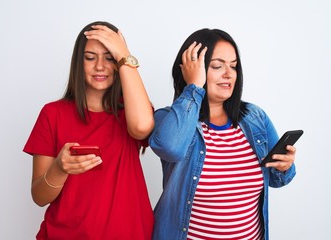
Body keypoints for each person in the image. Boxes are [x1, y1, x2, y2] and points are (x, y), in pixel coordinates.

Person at [149, 28, 297, 240]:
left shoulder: (255, 117)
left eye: (234, 66)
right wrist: (193, 87)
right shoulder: (169, 119)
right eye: (217, 66)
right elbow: (170, 148)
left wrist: (285, 167)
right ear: (192, 70)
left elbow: (276, 180)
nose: (229, 74)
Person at [23, 21, 154, 239]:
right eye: (90, 57)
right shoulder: (52, 114)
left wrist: (124, 53)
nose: (100, 66)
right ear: (78, 62)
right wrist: (59, 168)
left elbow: (141, 127)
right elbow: (39, 197)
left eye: (110, 57)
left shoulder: (132, 111)